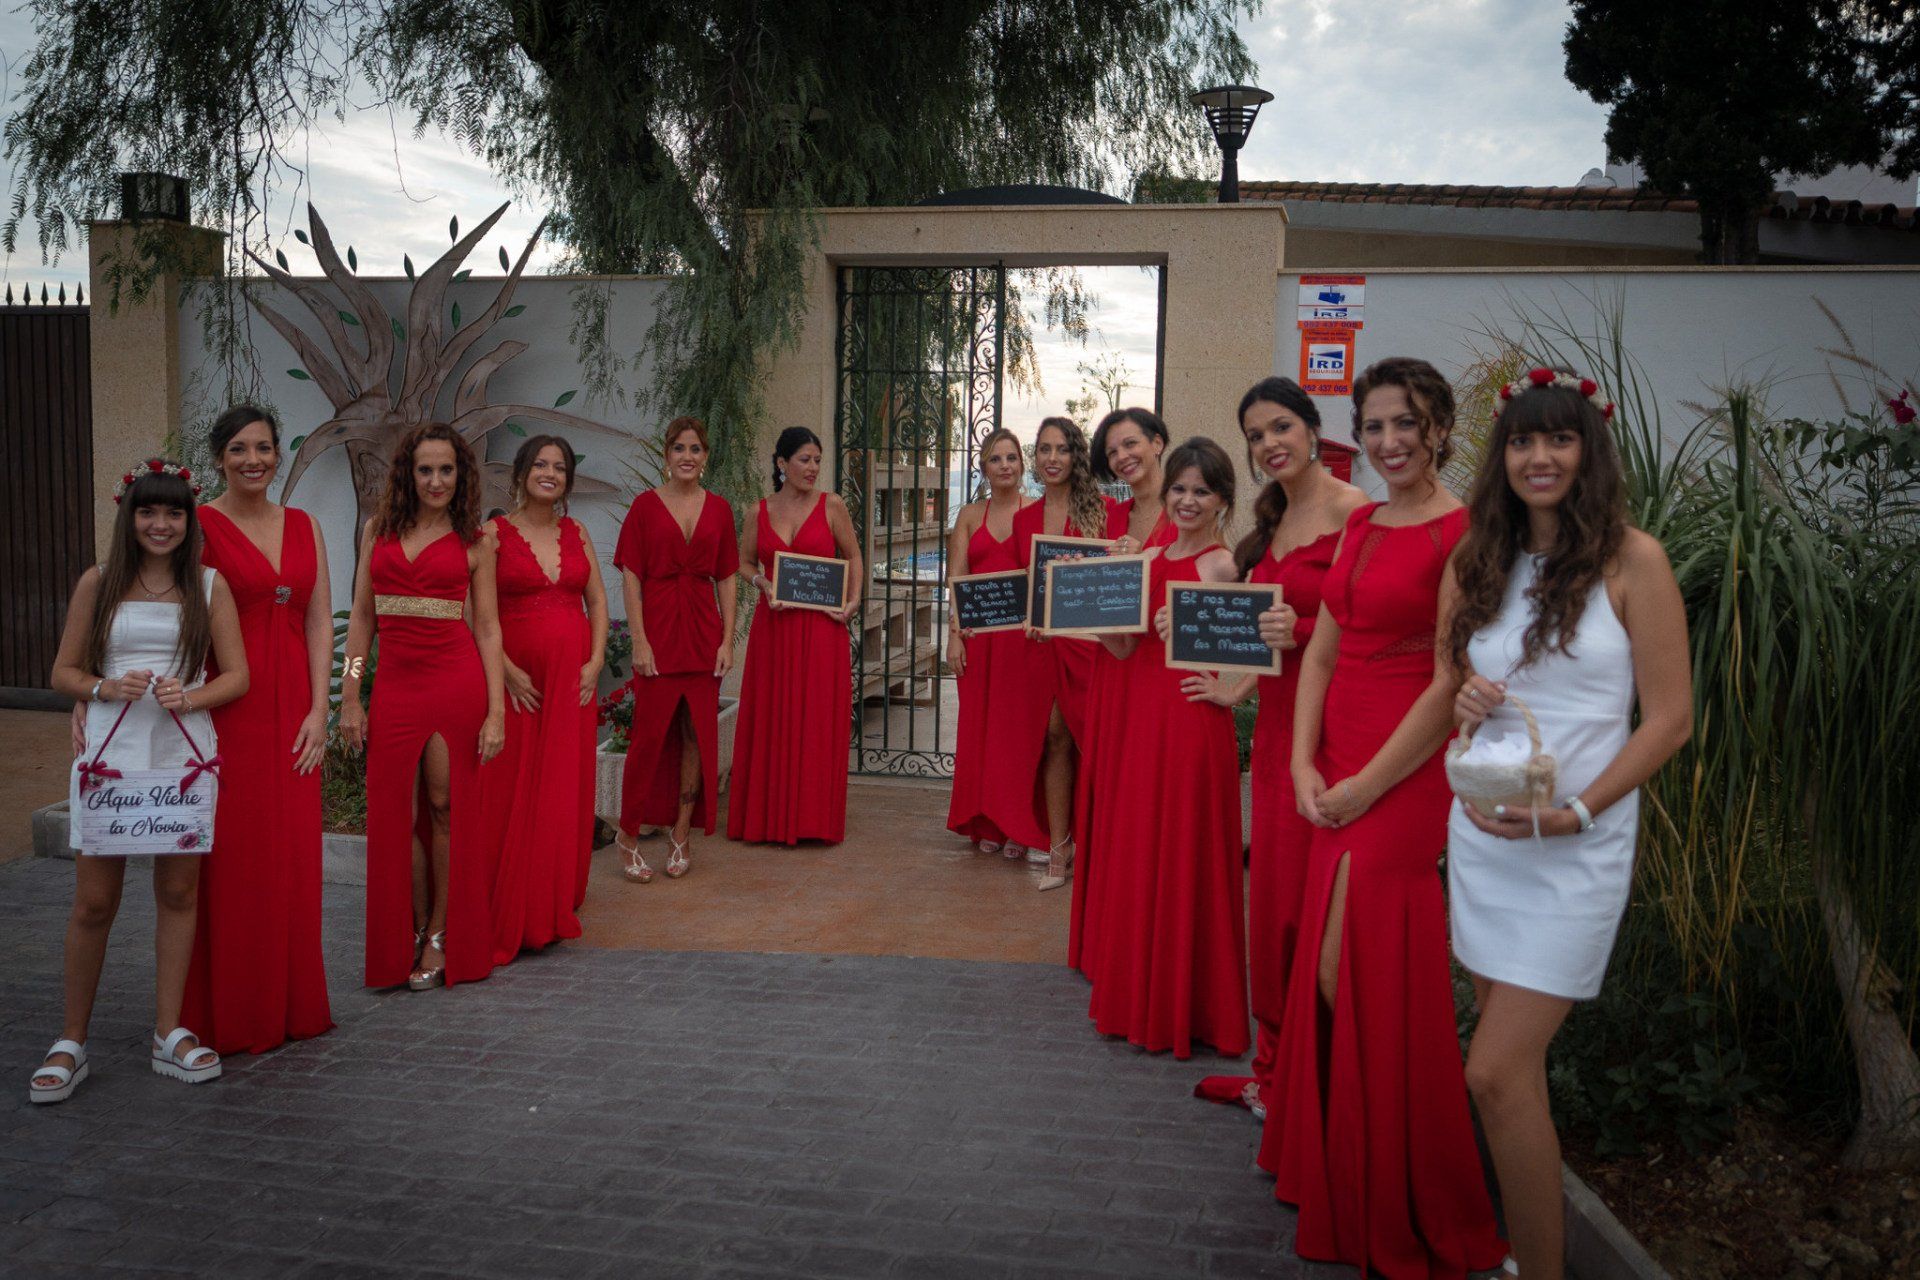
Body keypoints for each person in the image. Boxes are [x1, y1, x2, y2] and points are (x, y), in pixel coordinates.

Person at [1258, 358, 1507, 1277]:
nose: (1390, 442)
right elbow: (1321, 652)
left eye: (1406, 424)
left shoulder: (1462, 532)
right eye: (1374, 428)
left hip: (1404, 768)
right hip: (1335, 754)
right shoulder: (1361, 521)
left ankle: (1405, 1179)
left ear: (1438, 426)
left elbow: (1449, 679)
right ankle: (1350, 1167)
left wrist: (1364, 786)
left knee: (1347, 969)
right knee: (1336, 968)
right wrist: (1296, 761)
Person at [1444, 368, 1691, 1280]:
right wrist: (1468, 696)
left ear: (1588, 452)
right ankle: (1529, 1260)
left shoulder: (1636, 560)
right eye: (1520, 440)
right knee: (1520, 1083)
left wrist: (1576, 812)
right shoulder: (1481, 560)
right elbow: (1458, 691)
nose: (1538, 457)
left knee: (1493, 1073)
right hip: (1485, 841)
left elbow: (1669, 718)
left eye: (1558, 439)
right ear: (1501, 457)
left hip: (1575, 848)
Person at [33, 458, 249, 1102]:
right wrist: (102, 685)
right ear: (129, 517)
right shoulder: (96, 583)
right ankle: (72, 1040)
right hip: (112, 753)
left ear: (190, 520)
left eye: (174, 512)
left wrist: (197, 694)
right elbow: (62, 672)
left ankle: (168, 1031)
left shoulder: (210, 587)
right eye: (149, 511)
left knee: (178, 895)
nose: (161, 524)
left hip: (179, 755)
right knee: (95, 901)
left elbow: (238, 676)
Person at [1184, 379, 1366, 1117]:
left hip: (1340, 734)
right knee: (1277, 914)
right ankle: (1274, 1068)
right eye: (1256, 435)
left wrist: (1312, 637)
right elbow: (1261, 633)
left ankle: (1324, 1078)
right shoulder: (1273, 522)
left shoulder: (1359, 516)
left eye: (1280, 426)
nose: (1269, 444)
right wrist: (1235, 692)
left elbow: (1380, 628)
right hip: (1278, 731)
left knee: (1325, 917)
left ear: (1314, 428)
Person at [1081, 437, 1250, 1059]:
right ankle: (1138, 1000)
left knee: (1186, 853)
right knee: (1141, 849)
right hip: (1142, 723)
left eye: (1200, 491)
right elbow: (1125, 648)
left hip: (1190, 721)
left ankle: (1191, 1008)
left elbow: (1255, 649)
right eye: (1178, 488)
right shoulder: (1148, 555)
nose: (1185, 500)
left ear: (1222, 501)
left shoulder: (1224, 567)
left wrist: (1228, 689)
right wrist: (1092, 613)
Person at [178, 406, 335, 1055]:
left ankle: (293, 1005)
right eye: (239, 449)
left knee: (294, 859)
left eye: (264, 448)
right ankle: (232, 1012)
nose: (253, 460)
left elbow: (323, 620)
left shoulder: (306, 525)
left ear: (279, 454)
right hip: (230, 711)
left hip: (297, 710)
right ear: (219, 457)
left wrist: (323, 708)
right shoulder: (199, 527)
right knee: (236, 859)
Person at [338, 423, 506, 991]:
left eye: (447, 470)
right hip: (395, 688)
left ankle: (440, 932)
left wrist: (497, 711)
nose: (436, 480)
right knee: (395, 815)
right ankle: (406, 931)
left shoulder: (475, 541)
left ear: (461, 477)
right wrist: (350, 694)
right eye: (426, 469)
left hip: (455, 686)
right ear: (408, 474)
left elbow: (486, 629)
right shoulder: (376, 531)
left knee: (442, 806)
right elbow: (361, 621)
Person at [481, 435, 607, 956]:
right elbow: (477, 614)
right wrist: (506, 670)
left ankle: (556, 895)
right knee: (516, 789)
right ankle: (517, 900)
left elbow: (598, 602)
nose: (549, 473)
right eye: (540, 464)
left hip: (573, 683)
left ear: (568, 480)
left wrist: (596, 662)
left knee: (562, 785)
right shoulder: (493, 533)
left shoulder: (578, 531)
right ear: (521, 472)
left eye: (559, 467)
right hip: (520, 684)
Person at [1070, 406, 1173, 974]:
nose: (1122, 457)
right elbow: (1098, 597)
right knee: (1114, 808)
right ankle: (1112, 942)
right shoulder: (1111, 517)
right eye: (1112, 452)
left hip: (1163, 679)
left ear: (1157, 442)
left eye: (1131, 444)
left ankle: (1149, 946)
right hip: (1115, 669)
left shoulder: (1188, 507)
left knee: (1151, 811)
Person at [611, 417, 737, 880]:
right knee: (649, 736)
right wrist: (639, 640)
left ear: (705, 457)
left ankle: (681, 833)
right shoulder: (644, 507)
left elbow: (726, 576)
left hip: (703, 631)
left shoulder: (719, 510)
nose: (688, 456)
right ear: (667, 455)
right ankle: (627, 834)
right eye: (679, 448)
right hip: (659, 630)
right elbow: (631, 576)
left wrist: (726, 639)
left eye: (696, 449)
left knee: (695, 735)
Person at [728, 427, 863, 845]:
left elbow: (854, 555)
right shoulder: (758, 512)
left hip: (822, 631)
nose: (813, 469)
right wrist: (762, 586)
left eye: (818, 461)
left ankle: (811, 819)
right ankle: (769, 818)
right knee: (773, 716)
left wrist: (854, 600)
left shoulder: (832, 505)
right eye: (805, 460)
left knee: (816, 721)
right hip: (776, 630)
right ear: (782, 464)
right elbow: (744, 563)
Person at [1012, 417, 1115, 891]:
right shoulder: (1023, 520)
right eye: (1043, 449)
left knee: (1093, 745)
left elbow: (1117, 582)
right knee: (1052, 738)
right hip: (1041, 648)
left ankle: (1101, 845)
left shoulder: (1104, 511)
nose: (1052, 458)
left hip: (1091, 648)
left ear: (1076, 456)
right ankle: (1059, 845)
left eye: (1061, 449)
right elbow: (1024, 589)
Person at [945, 428, 1047, 860]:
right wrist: (953, 637)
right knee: (981, 733)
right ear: (984, 468)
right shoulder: (969, 515)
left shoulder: (1038, 513)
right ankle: (985, 821)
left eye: (1011, 458)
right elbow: (956, 579)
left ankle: (1019, 826)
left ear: (1022, 466)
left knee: (1019, 737)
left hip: (1024, 643)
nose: (1004, 465)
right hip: (979, 641)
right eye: (995, 459)